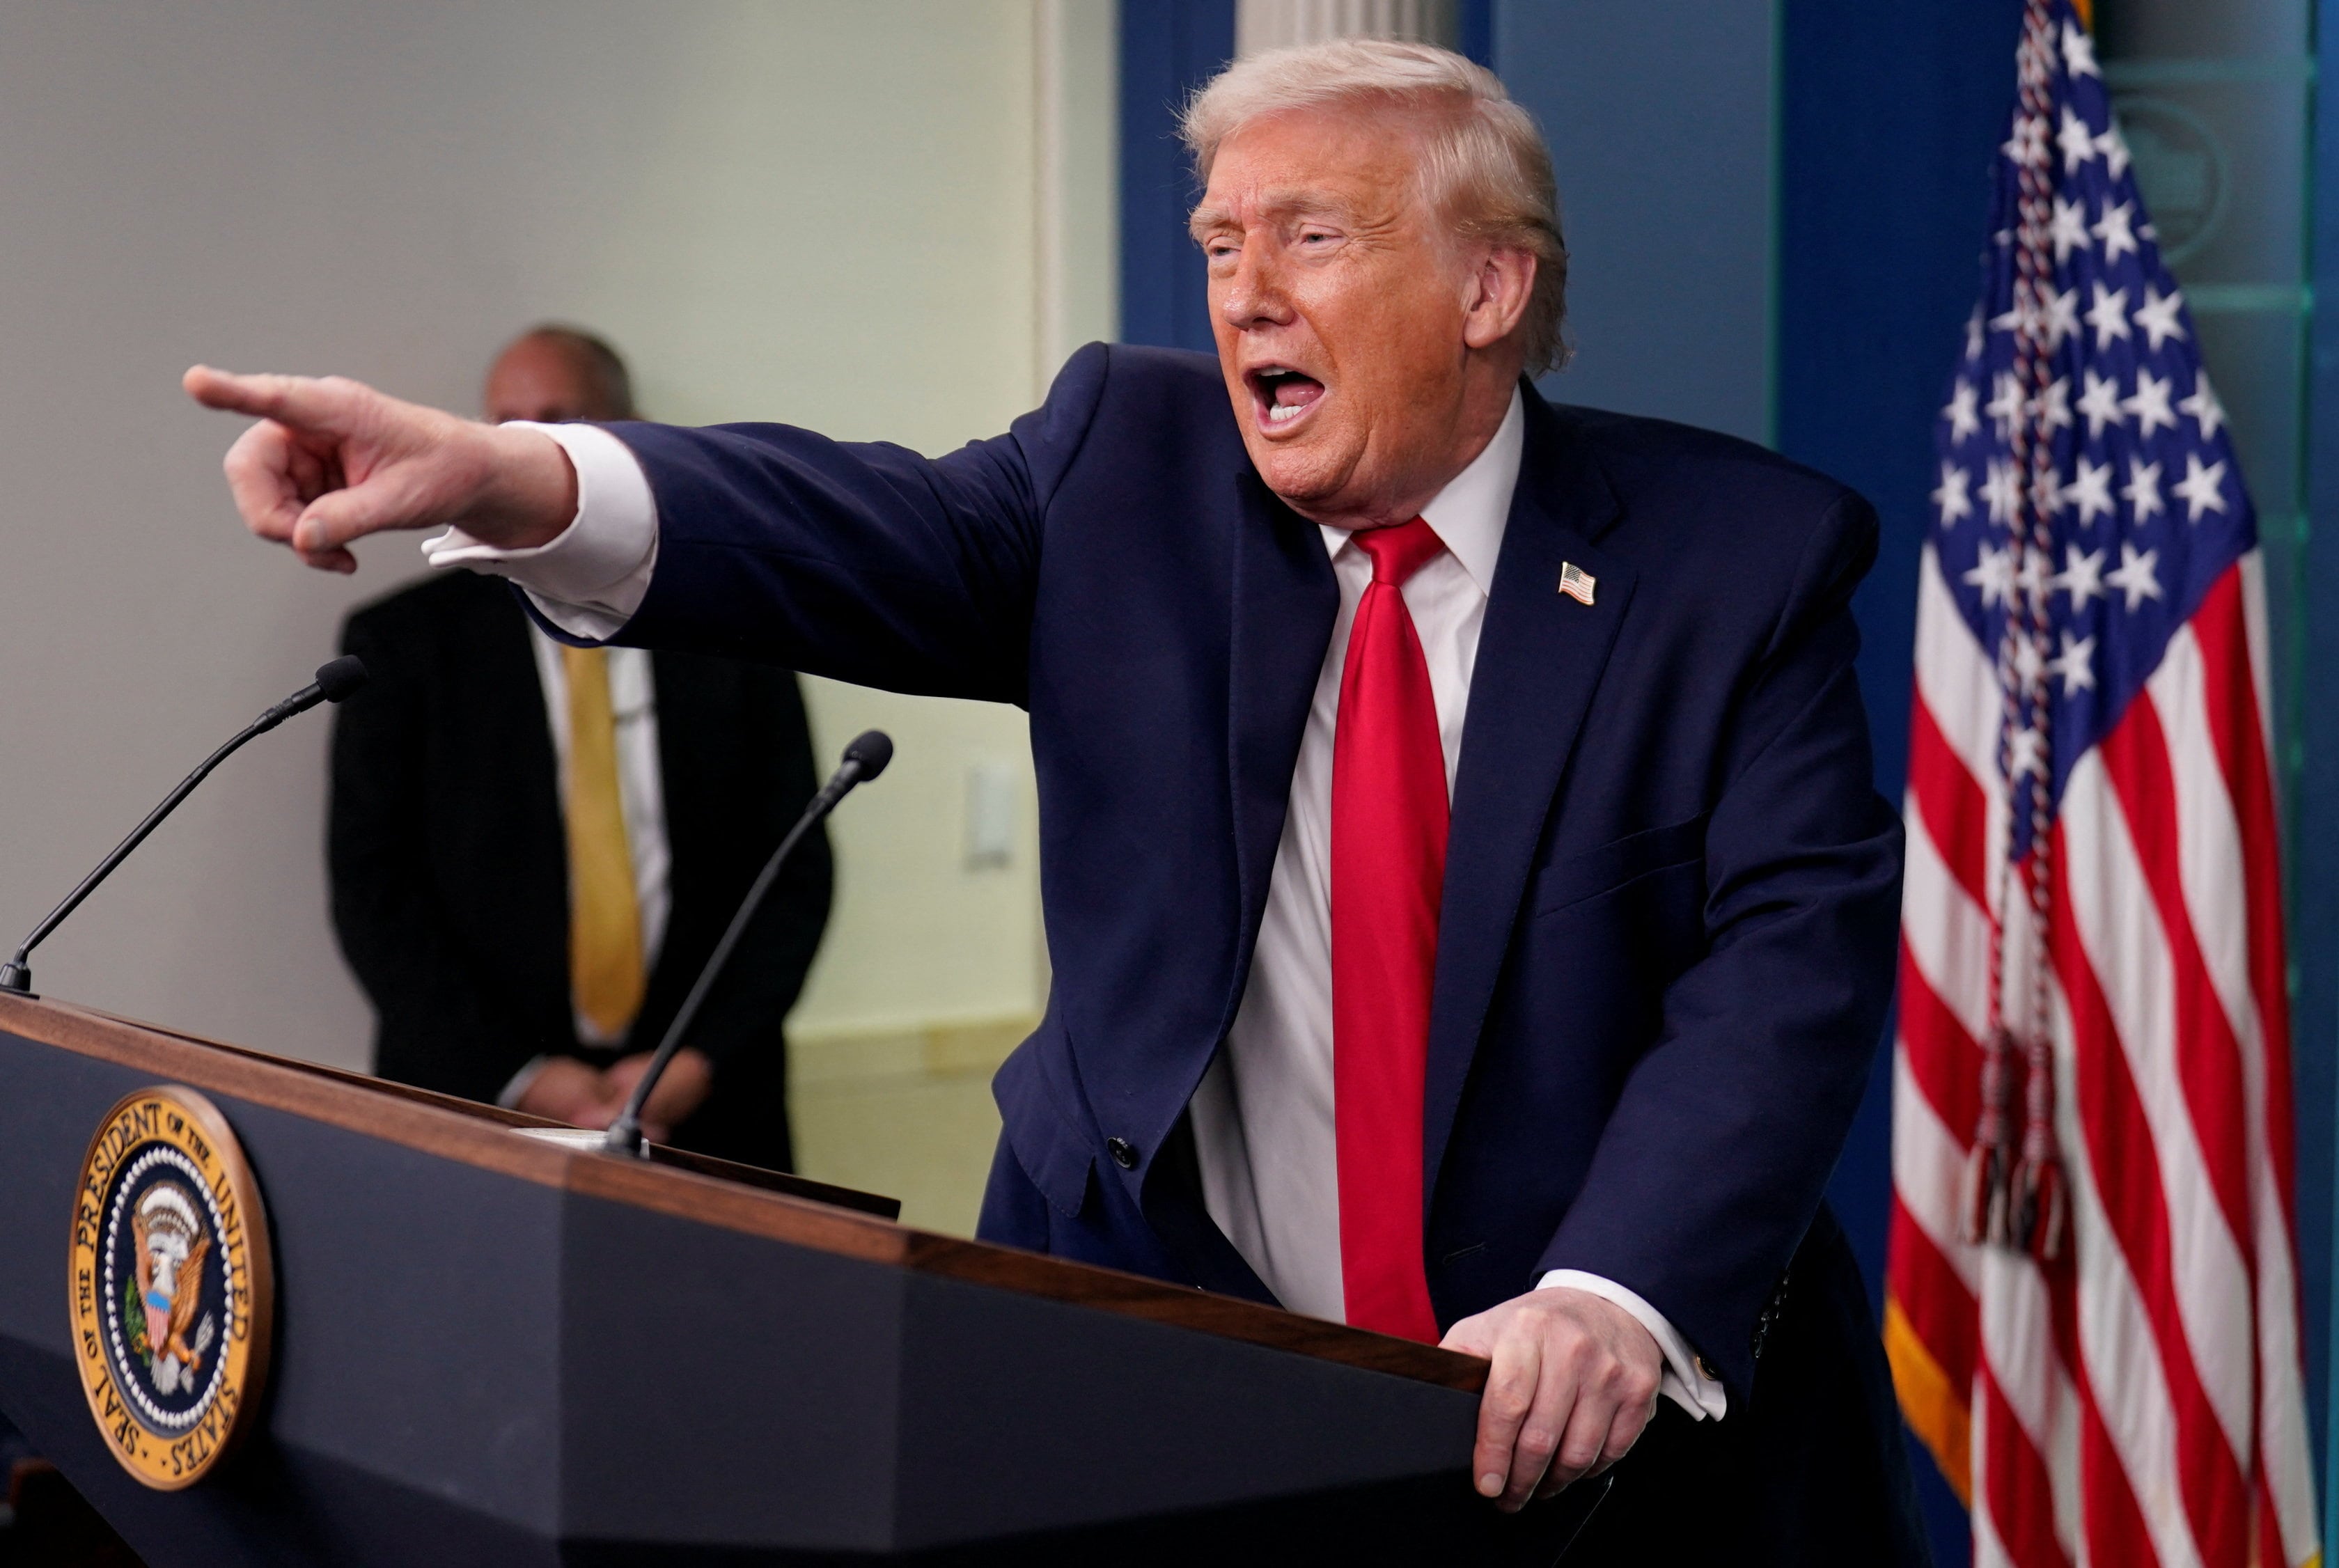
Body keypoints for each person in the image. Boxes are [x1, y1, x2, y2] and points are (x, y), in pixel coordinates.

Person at [189, 41, 1922, 1561]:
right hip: (1166, 1379)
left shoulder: (1735, 565)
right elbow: (844, 524)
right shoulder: (1125, 470)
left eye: (1311, 235)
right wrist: (513, 478)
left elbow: (1781, 976)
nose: (1243, 292)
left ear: (1488, 287)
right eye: (1221, 243)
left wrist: (1610, 1288)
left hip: (1598, 1439)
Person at [327, 325, 831, 1172]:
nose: (524, 445)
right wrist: (524, 1077)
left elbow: (793, 869)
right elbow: (376, 895)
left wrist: (697, 1058)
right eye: (504, 422)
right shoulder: (401, 646)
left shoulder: (735, 627)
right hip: (472, 1110)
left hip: (711, 1115)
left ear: (628, 435)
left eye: (557, 417)